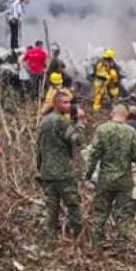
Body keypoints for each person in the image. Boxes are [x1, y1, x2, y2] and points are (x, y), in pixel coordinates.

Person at [84, 104, 136, 246]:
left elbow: (93, 155)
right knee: (124, 212)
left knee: (101, 210)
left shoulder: (102, 129)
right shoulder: (131, 132)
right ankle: (121, 242)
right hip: (124, 179)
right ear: (126, 115)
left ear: (113, 113)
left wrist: (88, 175)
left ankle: (98, 240)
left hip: (105, 178)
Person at [35, 90, 83, 236]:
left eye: (69, 102)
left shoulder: (43, 121)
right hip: (63, 172)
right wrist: (79, 121)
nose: (68, 105)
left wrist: (40, 169)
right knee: (73, 204)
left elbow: (39, 148)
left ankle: (50, 237)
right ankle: (78, 235)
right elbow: (77, 139)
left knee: (52, 208)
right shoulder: (61, 121)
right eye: (65, 102)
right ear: (56, 104)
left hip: (48, 172)